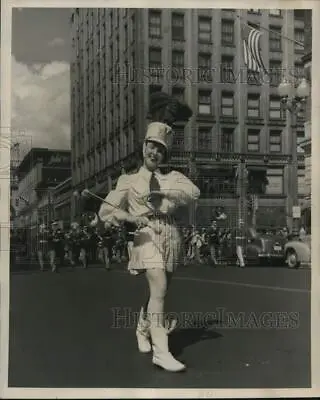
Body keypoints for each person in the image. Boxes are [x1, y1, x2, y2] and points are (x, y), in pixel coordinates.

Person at [99, 101, 199, 372]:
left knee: (159, 291)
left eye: (160, 149)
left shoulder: (173, 177)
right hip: (146, 235)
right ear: (144, 147)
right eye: (151, 146)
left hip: (171, 235)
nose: (155, 152)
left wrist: (164, 194)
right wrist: (131, 217)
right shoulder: (127, 181)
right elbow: (106, 211)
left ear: (165, 154)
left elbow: (194, 193)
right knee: (160, 288)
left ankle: (142, 329)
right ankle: (161, 351)